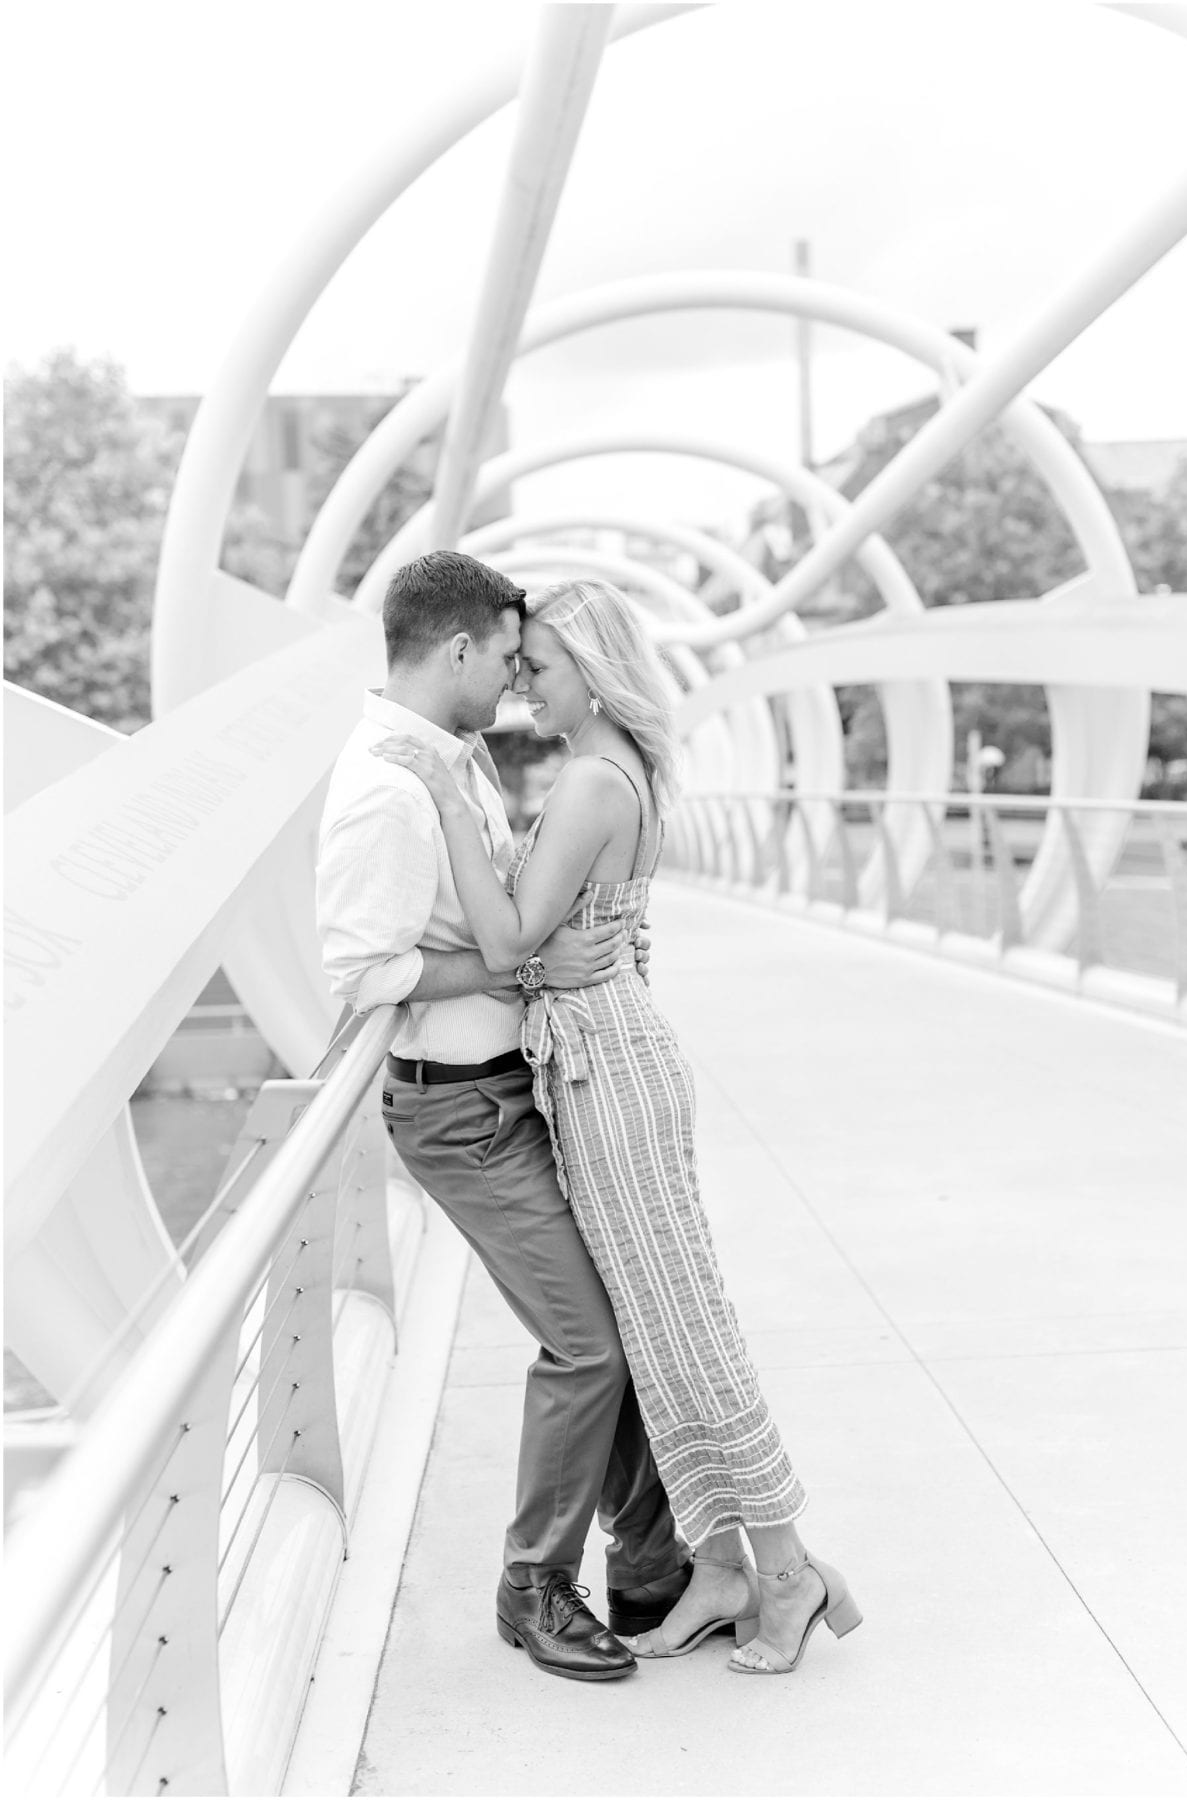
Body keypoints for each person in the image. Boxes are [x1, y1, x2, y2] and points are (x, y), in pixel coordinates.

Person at [371, 575, 861, 1676]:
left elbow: (502, 943)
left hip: (607, 1078)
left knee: (685, 1330)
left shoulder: (593, 780)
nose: (522, 689)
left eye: (538, 668)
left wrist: (448, 798)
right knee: (654, 1331)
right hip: (603, 1056)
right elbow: (594, 939)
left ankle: (785, 1576)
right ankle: (722, 1567)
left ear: (591, 670)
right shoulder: (622, 769)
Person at [315, 550, 696, 1685]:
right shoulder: (388, 787)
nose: (517, 685)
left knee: (612, 1316)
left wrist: (531, 963)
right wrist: (513, 971)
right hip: (454, 1115)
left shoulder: (454, 760)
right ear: (459, 649)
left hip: (508, 1091)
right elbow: (357, 968)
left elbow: (510, 912)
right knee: (584, 1342)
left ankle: (648, 1562)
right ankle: (533, 1584)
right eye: (509, 658)